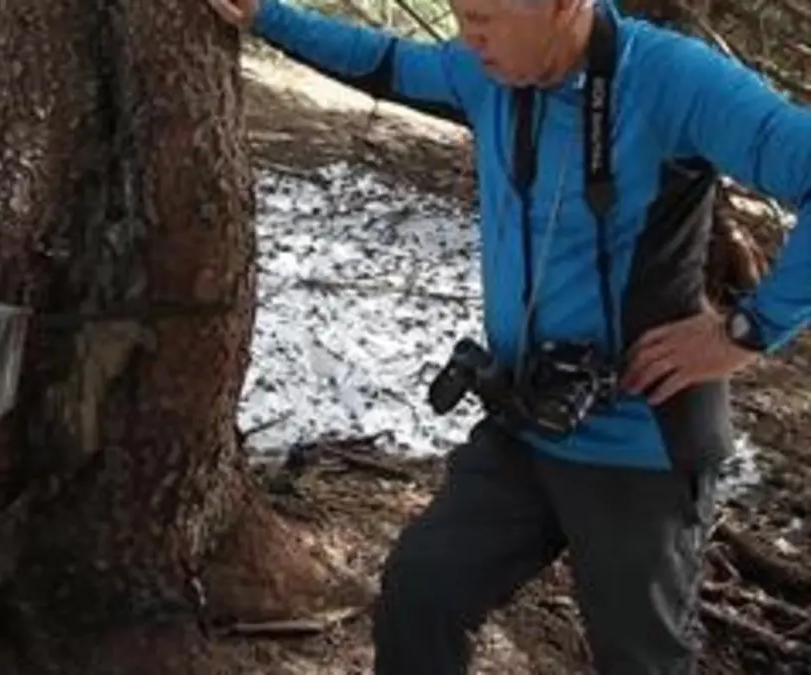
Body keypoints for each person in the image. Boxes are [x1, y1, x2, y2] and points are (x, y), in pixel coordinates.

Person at [208, 0, 811, 672]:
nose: (469, 38)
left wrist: (746, 331)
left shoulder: (670, 78)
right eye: (460, 13)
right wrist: (265, 15)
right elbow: (382, 61)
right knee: (422, 588)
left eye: (485, 16)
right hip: (525, 420)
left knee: (639, 657)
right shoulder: (488, 74)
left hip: (640, 441)